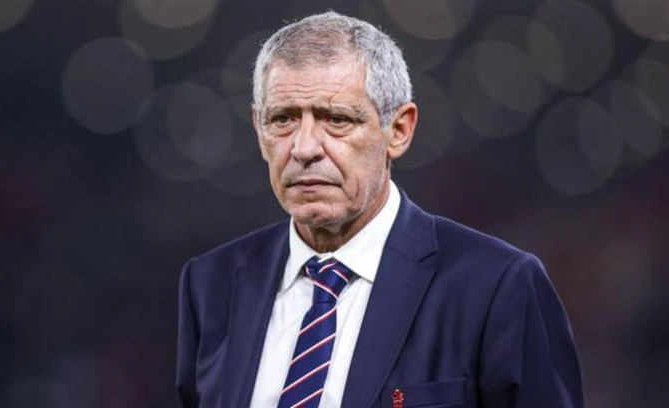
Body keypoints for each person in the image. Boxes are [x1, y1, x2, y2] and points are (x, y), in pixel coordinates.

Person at [176, 11, 583, 408]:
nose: (304, 148)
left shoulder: (496, 285)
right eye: (282, 119)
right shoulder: (210, 284)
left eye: (336, 119)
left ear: (399, 131)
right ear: (258, 129)